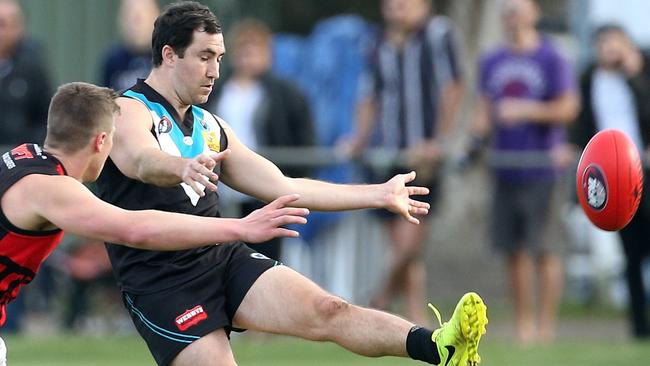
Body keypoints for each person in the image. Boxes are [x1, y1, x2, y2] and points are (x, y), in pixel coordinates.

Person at [95, 2, 487, 366]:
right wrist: (180, 167)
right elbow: (140, 160)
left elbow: (284, 184)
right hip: (161, 283)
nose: (214, 71)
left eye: (218, 58)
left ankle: (440, 347)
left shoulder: (208, 125)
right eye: (203, 57)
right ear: (168, 54)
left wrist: (379, 194)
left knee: (330, 310)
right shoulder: (128, 109)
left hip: (218, 258)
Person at [0, 82, 309, 333]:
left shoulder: (24, 156)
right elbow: (136, 229)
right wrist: (240, 227)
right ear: (101, 142)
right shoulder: (50, 187)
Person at [345, 0, 464, 325]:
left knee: (410, 240)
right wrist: (359, 138)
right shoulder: (377, 43)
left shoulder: (438, 35)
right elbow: (369, 95)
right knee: (401, 244)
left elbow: (452, 87)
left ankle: (380, 296)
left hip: (422, 157)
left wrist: (437, 140)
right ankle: (414, 319)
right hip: (387, 153)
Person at [470, 0, 578, 344]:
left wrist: (526, 110)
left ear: (534, 12)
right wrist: (474, 141)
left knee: (545, 249)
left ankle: (546, 328)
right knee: (513, 250)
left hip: (543, 168)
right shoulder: (492, 60)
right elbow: (484, 111)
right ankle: (523, 327)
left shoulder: (552, 57)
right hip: (506, 166)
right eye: (506, 10)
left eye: (517, 8)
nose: (511, 16)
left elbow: (568, 106)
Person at [208, 18, 315, 261]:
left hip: (264, 189)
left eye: (254, 49)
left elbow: (303, 136)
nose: (247, 57)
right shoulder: (218, 90)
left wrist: (288, 178)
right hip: (223, 190)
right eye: (242, 50)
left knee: (265, 259)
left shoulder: (286, 93)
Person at [570, 24, 650, 339]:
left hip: (644, 170)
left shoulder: (642, 72)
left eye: (617, 43)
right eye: (605, 44)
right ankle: (639, 325)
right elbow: (584, 122)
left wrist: (633, 75)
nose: (611, 50)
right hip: (613, 176)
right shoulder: (590, 78)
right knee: (630, 254)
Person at [0, 0, 52, 146]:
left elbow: (46, 118)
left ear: (19, 28)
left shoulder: (32, 64)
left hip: (19, 154)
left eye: (4, 24)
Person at [101, 0, 159, 90]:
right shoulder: (113, 61)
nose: (136, 26)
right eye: (129, 18)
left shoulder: (165, 58)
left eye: (140, 19)